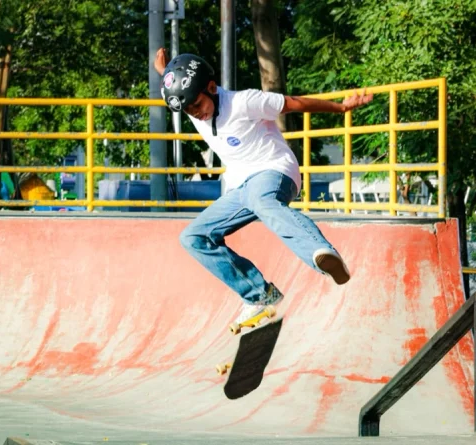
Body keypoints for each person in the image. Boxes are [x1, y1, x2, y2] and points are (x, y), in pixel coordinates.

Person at [154, 49, 373, 324]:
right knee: (193, 237)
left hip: (274, 170)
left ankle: (320, 252)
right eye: (188, 110)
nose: (196, 114)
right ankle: (259, 295)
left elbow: (295, 103)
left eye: (197, 105)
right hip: (240, 188)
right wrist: (164, 71)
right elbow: (182, 85)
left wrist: (341, 108)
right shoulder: (194, 102)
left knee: (262, 200)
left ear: (211, 88)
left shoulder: (246, 102)